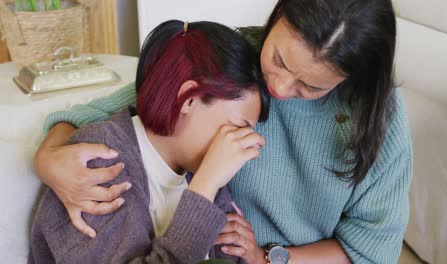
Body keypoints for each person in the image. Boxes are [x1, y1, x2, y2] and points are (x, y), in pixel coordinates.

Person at [34, 0, 412, 263]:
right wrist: (49, 159)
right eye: (278, 60)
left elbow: (370, 250)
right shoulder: (234, 58)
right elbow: (108, 111)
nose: (278, 89)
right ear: (278, 15)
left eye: (311, 88)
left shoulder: (379, 121)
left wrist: (268, 259)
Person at [29, 20, 269, 264]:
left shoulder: (197, 167)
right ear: (189, 99)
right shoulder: (99, 163)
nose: (241, 146)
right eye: (237, 128)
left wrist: (247, 254)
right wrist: (205, 185)